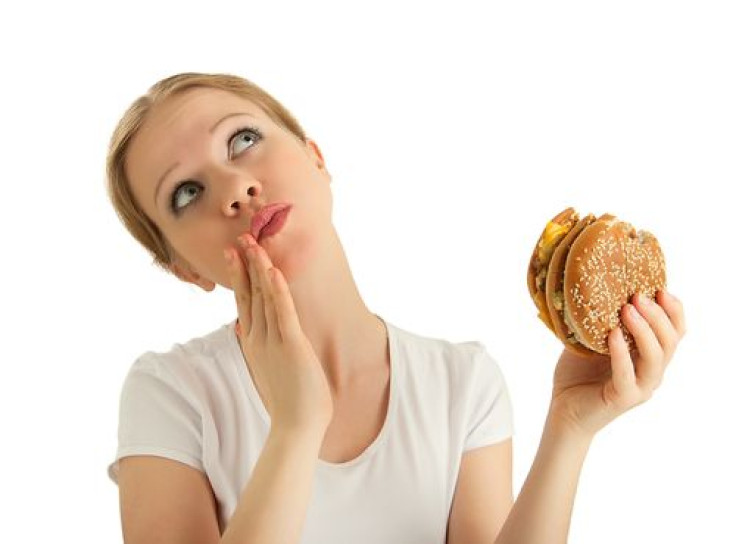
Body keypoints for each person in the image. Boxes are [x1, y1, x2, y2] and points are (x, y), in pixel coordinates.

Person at [106, 72, 686, 544]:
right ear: (183, 267)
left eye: (242, 139)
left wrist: (570, 429)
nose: (235, 187)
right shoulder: (171, 393)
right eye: (187, 192)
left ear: (316, 158)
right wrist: (296, 426)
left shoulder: (461, 383)